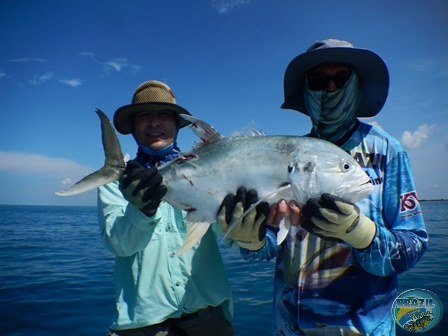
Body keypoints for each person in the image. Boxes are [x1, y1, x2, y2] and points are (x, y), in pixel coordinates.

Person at [217, 39, 428, 335]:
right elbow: (267, 249)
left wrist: (360, 233)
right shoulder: (287, 154)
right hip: (289, 327)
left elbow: (414, 245)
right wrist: (249, 240)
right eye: (318, 80)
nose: (330, 89)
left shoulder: (388, 153)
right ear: (306, 90)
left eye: (340, 78)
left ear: (356, 84)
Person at [98, 80, 234, 336]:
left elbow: (231, 240)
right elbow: (119, 245)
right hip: (143, 325)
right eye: (144, 116)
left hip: (209, 320)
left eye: (163, 115)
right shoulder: (116, 182)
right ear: (133, 126)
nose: (154, 122)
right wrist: (141, 209)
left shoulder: (212, 170)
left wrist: (243, 222)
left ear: (176, 124)